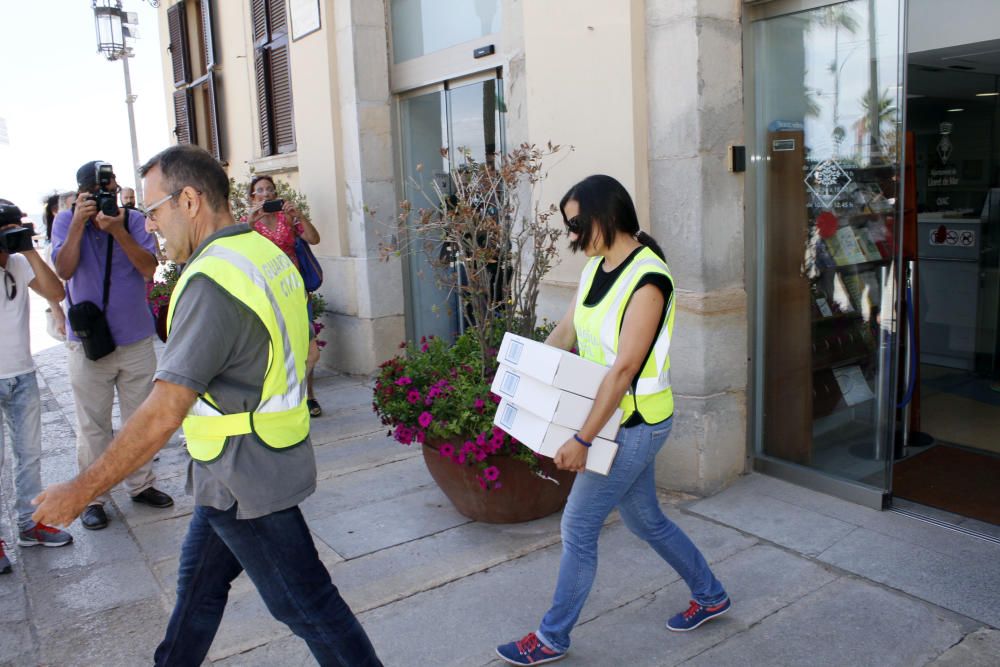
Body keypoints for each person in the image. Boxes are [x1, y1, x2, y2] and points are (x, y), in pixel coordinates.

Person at [33, 145, 383, 666]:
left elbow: (163, 409)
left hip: (244, 476)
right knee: (199, 588)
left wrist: (82, 489)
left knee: (310, 608)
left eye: (152, 210)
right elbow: (305, 347)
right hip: (247, 463)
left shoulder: (211, 280)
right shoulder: (263, 252)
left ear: (190, 200)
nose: (148, 223)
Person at [495, 175, 730, 665]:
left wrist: (582, 438)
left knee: (578, 527)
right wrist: (523, 374)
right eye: (569, 225)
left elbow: (624, 368)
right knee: (647, 522)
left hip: (636, 424)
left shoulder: (649, 279)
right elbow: (568, 330)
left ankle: (551, 637)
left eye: (577, 223)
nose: (573, 235)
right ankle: (710, 594)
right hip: (612, 421)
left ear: (607, 214)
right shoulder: (599, 267)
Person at [50, 161, 174, 530]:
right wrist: (76, 224)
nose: (110, 193)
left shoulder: (132, 220)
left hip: (135, 338)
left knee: (140, 419)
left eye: (113, 186)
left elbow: (150, 270)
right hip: (88, 343)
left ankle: (141, 485)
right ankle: (93, 497)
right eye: (101, 189)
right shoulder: (64, 221)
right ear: (82, 192)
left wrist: (118, 231)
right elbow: (64, 271)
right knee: (93, 426)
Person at [0, 199, 73, 575]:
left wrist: (26, 249)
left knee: (29, 455)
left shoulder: (18, 262)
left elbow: (55, 293)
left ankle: (30, 525)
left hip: (23, 373)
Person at [246, 175, 324, 417]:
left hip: (295, 290)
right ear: (253, 197)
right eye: (260, 191)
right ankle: (284, 396)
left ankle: (308, 395)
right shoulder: (248, 224)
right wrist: (249, 222)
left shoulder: (287, 217)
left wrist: (299, 215)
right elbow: (242, 252)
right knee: (275, 346)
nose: (266, 194)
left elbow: (314, 239)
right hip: (266, 292)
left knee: (306, 344)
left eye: (270, 190)